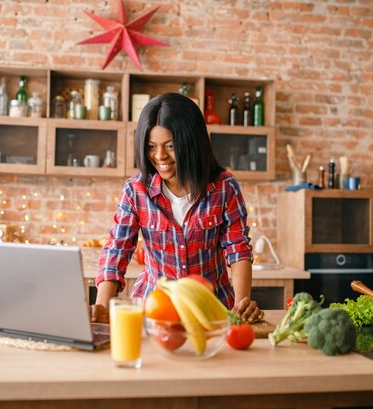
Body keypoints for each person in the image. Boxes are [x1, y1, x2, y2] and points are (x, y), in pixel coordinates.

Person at [90, 92, 261, 323]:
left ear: (191, 142)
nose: (159, 156)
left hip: (211, 311)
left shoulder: (224, 188)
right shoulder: (136, 190)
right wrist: (101, 305)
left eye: (170, 146)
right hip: (153, 312)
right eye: (151, 146)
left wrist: (242, 305)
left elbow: (238, 248)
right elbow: (117, 249)